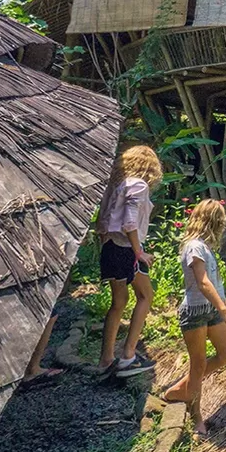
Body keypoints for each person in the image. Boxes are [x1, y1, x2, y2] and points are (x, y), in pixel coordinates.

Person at [162, 200, 226, 435]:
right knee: (198, 364)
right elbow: (203, 282)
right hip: (195, 311)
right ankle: (196, 418)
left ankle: (181, 389)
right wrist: (224, 309)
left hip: (210, 310)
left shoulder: (204, 246)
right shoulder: (195, 247)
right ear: (214, 221)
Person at [98, 145, 162, 377]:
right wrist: (139, 252)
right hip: (126, 248)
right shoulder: (138, 185)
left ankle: (106, 359)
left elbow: (102, 221)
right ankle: (128, 355)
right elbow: (129, 222)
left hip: (110, 247)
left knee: (118, 302)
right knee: (146, 296)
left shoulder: (116, 186)